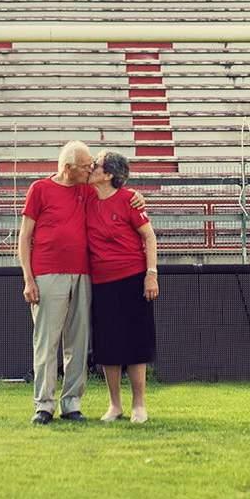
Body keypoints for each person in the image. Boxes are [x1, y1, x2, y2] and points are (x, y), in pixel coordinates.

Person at [18, 140, 146, 425]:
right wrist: (28, 277)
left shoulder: (87, 189)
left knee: (78, 342)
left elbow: (115, 192)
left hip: (84, 273)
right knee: (47, 342)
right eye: (86, 165)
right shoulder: (39, 189)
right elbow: (25, 237)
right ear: (67, 168)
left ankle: (72, 403)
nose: (91, 168)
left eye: (92, 164)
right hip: (47, 273)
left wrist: (136, 194)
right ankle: (44, 405)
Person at [87, 150, 158, 424]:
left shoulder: (129, 199)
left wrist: (151, 274)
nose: (91, 168)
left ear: (108, 175)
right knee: (108, 344)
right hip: (102, 282)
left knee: (136, 342)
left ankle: (139, 405)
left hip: (131, 278)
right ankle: (114, 405)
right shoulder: (88, 198)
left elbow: (149, 237)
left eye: (97, 166)